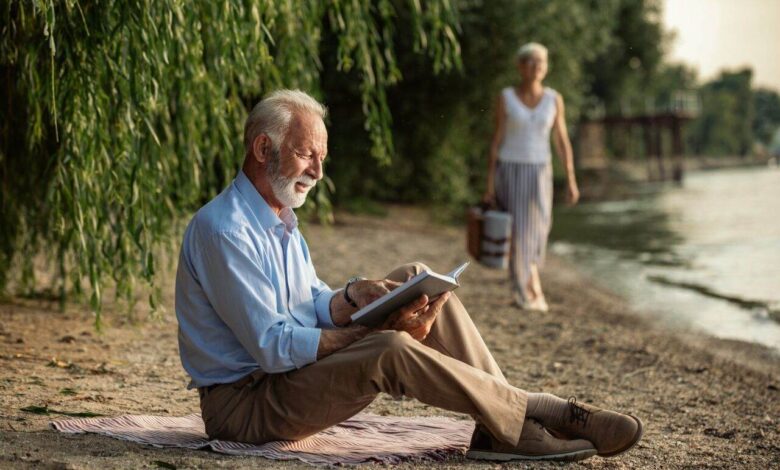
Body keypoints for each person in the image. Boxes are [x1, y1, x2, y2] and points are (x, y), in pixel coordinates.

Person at [175, 89, 642, 462]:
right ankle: (536, 412)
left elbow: (310, 303)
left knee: (416, 277)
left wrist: (357, 295)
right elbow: (274, 346)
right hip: (246, 406)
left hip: (285, 381)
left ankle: (503, 428)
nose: (318, 171)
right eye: (306, 155)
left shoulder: (279, 221)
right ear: (263, 148)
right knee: (390, 347)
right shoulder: (224, 231)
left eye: (322, 157)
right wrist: (371, 328)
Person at [483, 42, 580, 312]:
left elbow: (561, 140)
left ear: (546, 68)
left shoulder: (553, 99)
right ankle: (526, 290)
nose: (537, 67)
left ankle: (529, 282)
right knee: (518, 232)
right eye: (531, 62)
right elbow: (497, 139)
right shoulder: (506, 97)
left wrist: (571, 179)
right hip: (510, 168)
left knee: (538, 230)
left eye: (541, 63)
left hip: (540, 171)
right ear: (520, 66)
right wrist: (489, 184)